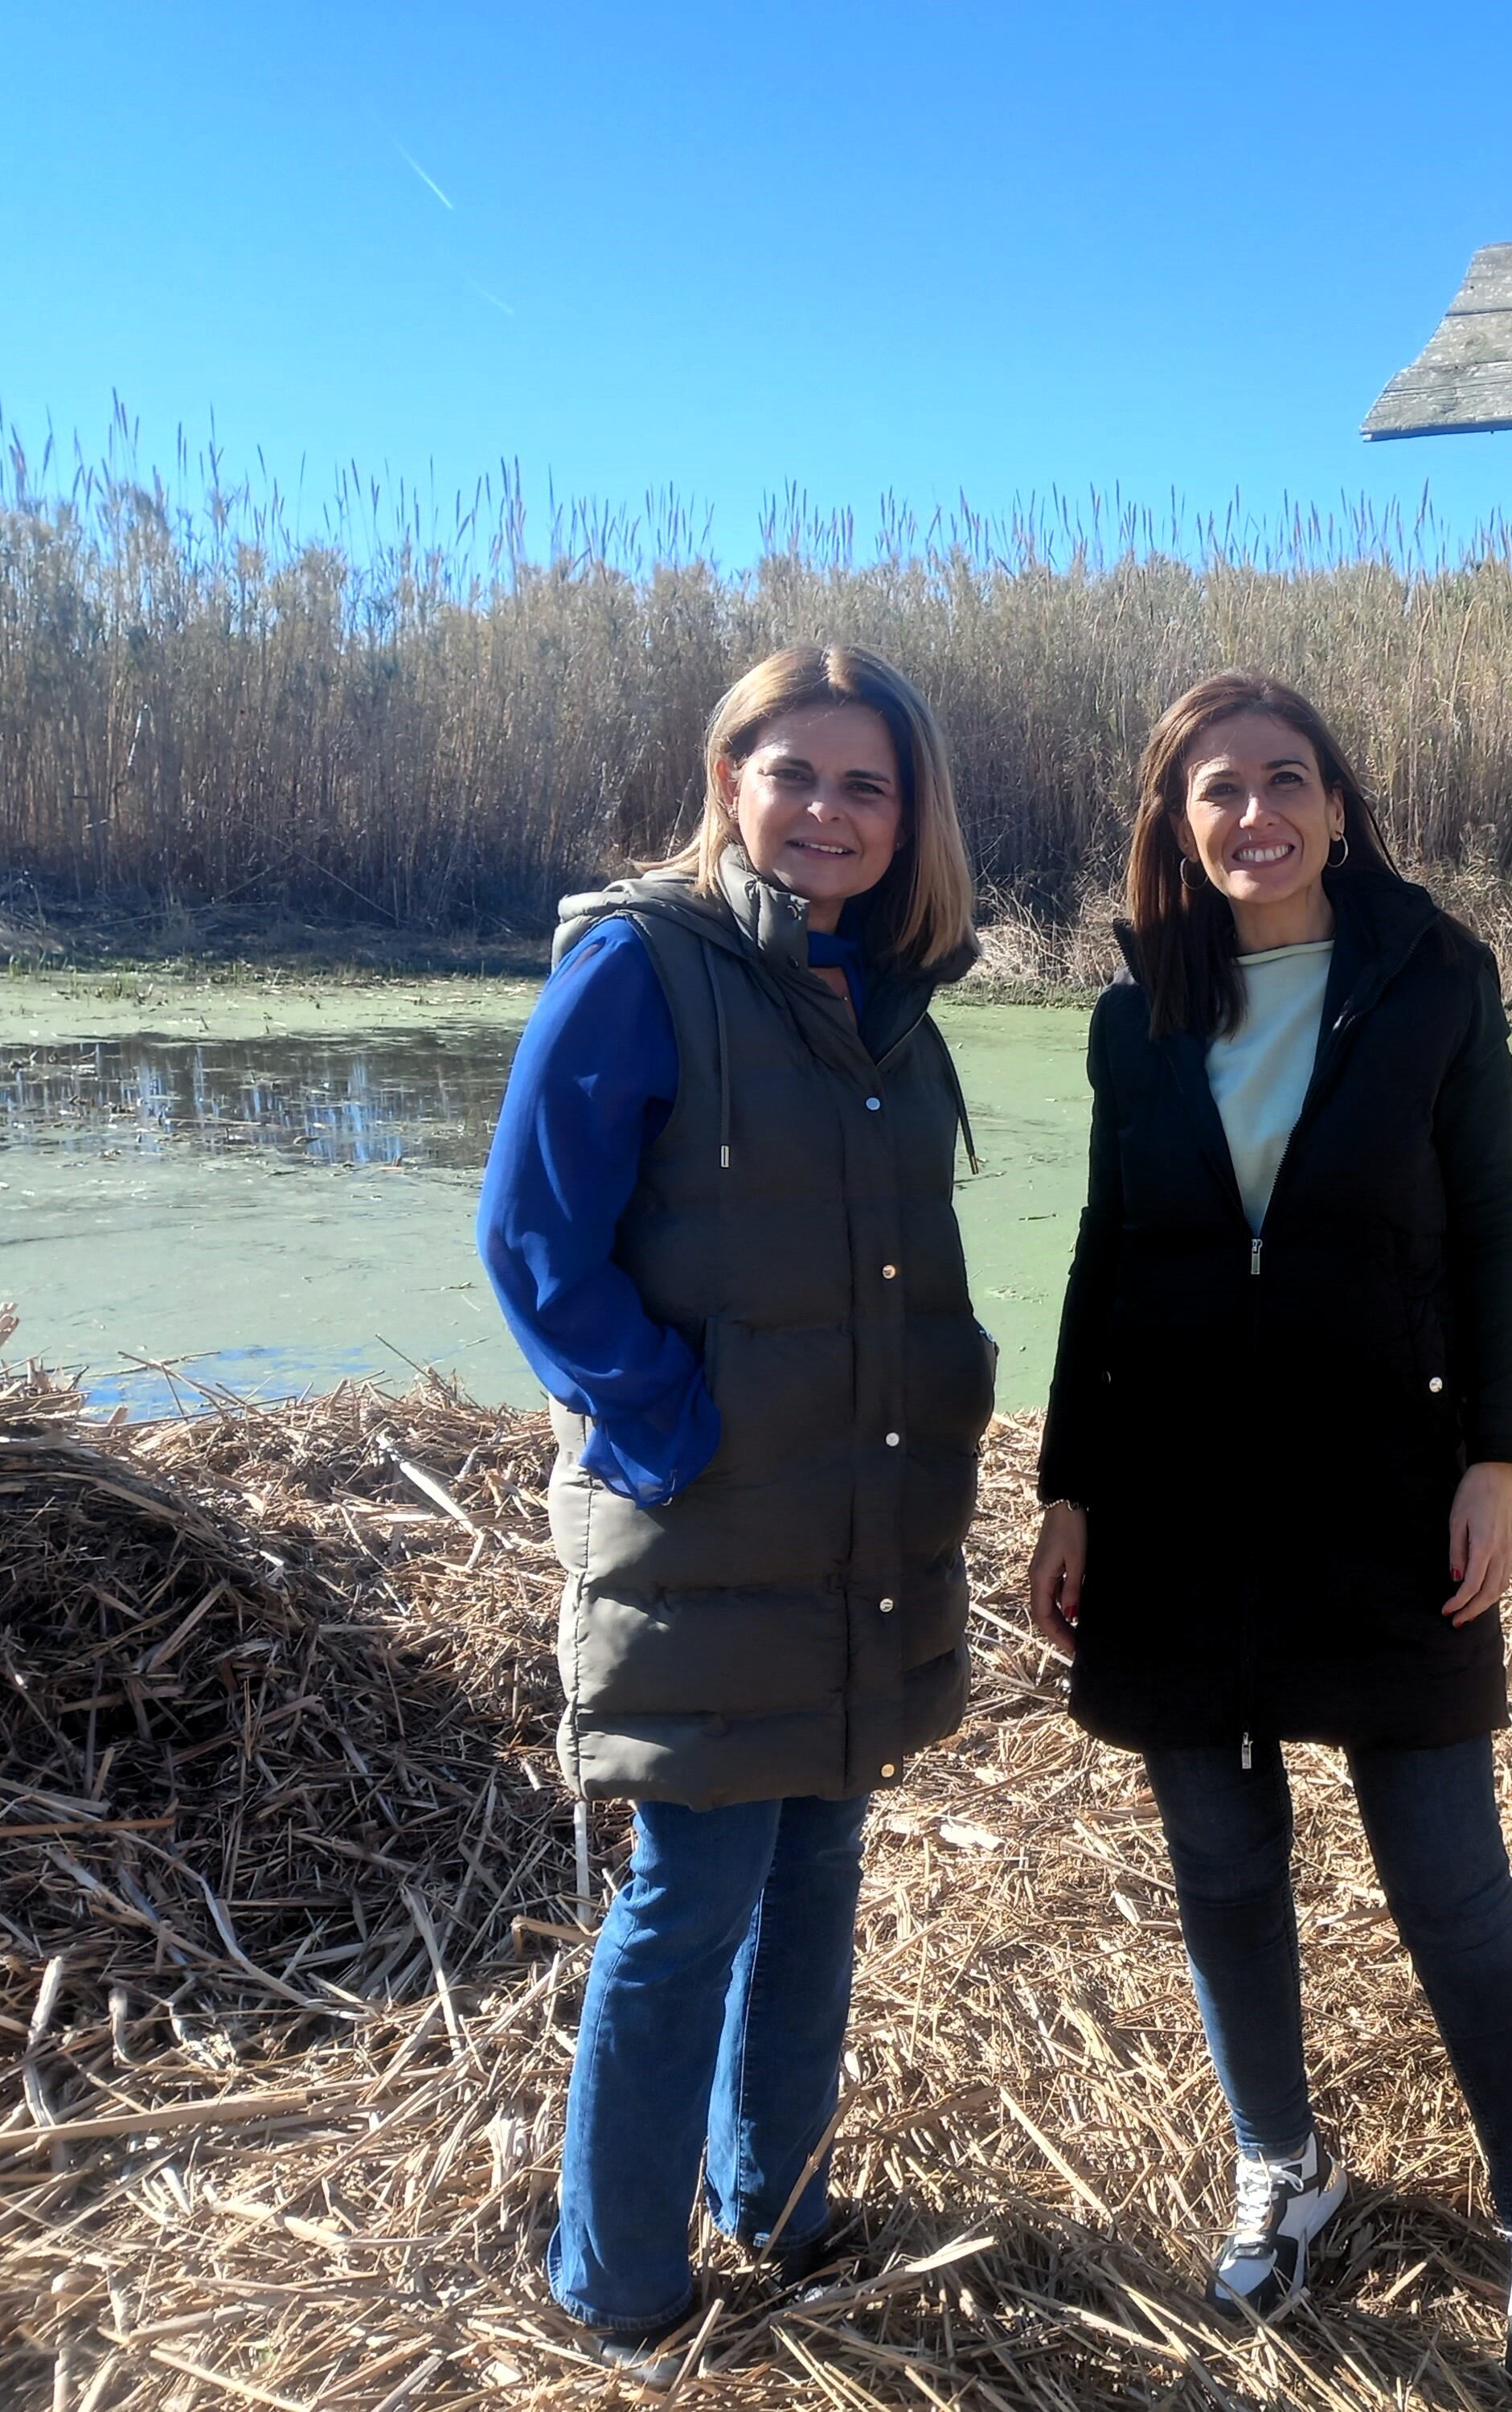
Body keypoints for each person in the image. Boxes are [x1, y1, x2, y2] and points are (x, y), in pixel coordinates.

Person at [1026, 671, 1512, 2408]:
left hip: (1378, 1493)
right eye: (1216, 791)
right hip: (1176, 1502)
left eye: (1285, 782)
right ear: (1172, 824)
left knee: (1449, 1885)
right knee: (1220, 1864)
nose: (1253, 815)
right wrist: (1067, 1486)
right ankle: (1282, 2158)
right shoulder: (1137, 1016)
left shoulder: (1433, 982)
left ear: (1338, 805)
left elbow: (1494, 1221)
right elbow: (1102, 1253)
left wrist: (1495, 1454)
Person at [477, 643, 993, 2380]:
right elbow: (533, 1243)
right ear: (728, 784)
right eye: (795, 777)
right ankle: (615, 2281)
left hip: (856, 1514)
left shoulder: (890, 990)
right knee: (688, 1891)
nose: (829, 814)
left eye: (867, 785)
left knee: (819, 1867)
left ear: (907, 812)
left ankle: (776, 2206)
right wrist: (666, 1421)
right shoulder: (642, 965)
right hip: (706, 1513)